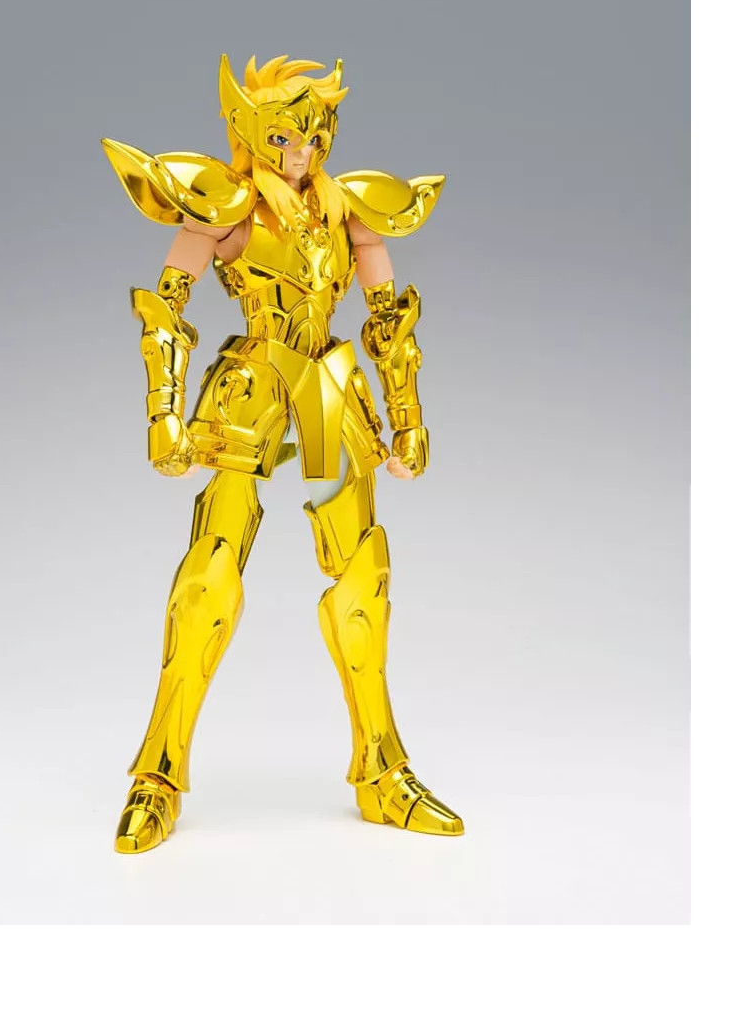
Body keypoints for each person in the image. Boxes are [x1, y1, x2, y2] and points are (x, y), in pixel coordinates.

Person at [101, 54, 463, 853]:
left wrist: (408, 418)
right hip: (255, 383)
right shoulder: (228, 207)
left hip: (327, 389)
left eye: (314, 134)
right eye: (284, 136)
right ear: (250, 133)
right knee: (208, 576)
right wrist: (164, 415)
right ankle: (158, 775)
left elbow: (388, 320)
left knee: (363, 576)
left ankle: (382, 773)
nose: (302, 150)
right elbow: (165, 308)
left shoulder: (348, 209)